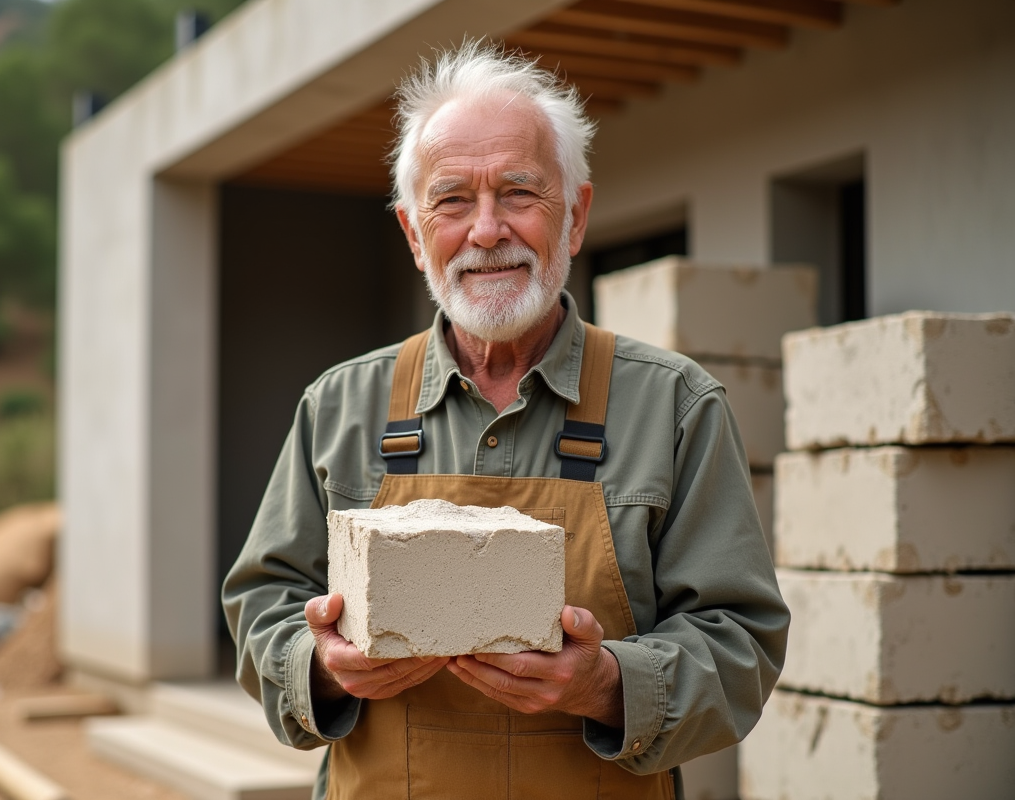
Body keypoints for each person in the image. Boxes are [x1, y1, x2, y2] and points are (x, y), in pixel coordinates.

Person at [223, 40, 788, 800]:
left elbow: (742, 641)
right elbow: (262, 606)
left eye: (519, 192)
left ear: (576, 216)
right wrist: (319, 666)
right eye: (453, 200)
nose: (488, 230)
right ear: (414, 236)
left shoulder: (677, 406)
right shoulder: (339, 407)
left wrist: (610, 683)